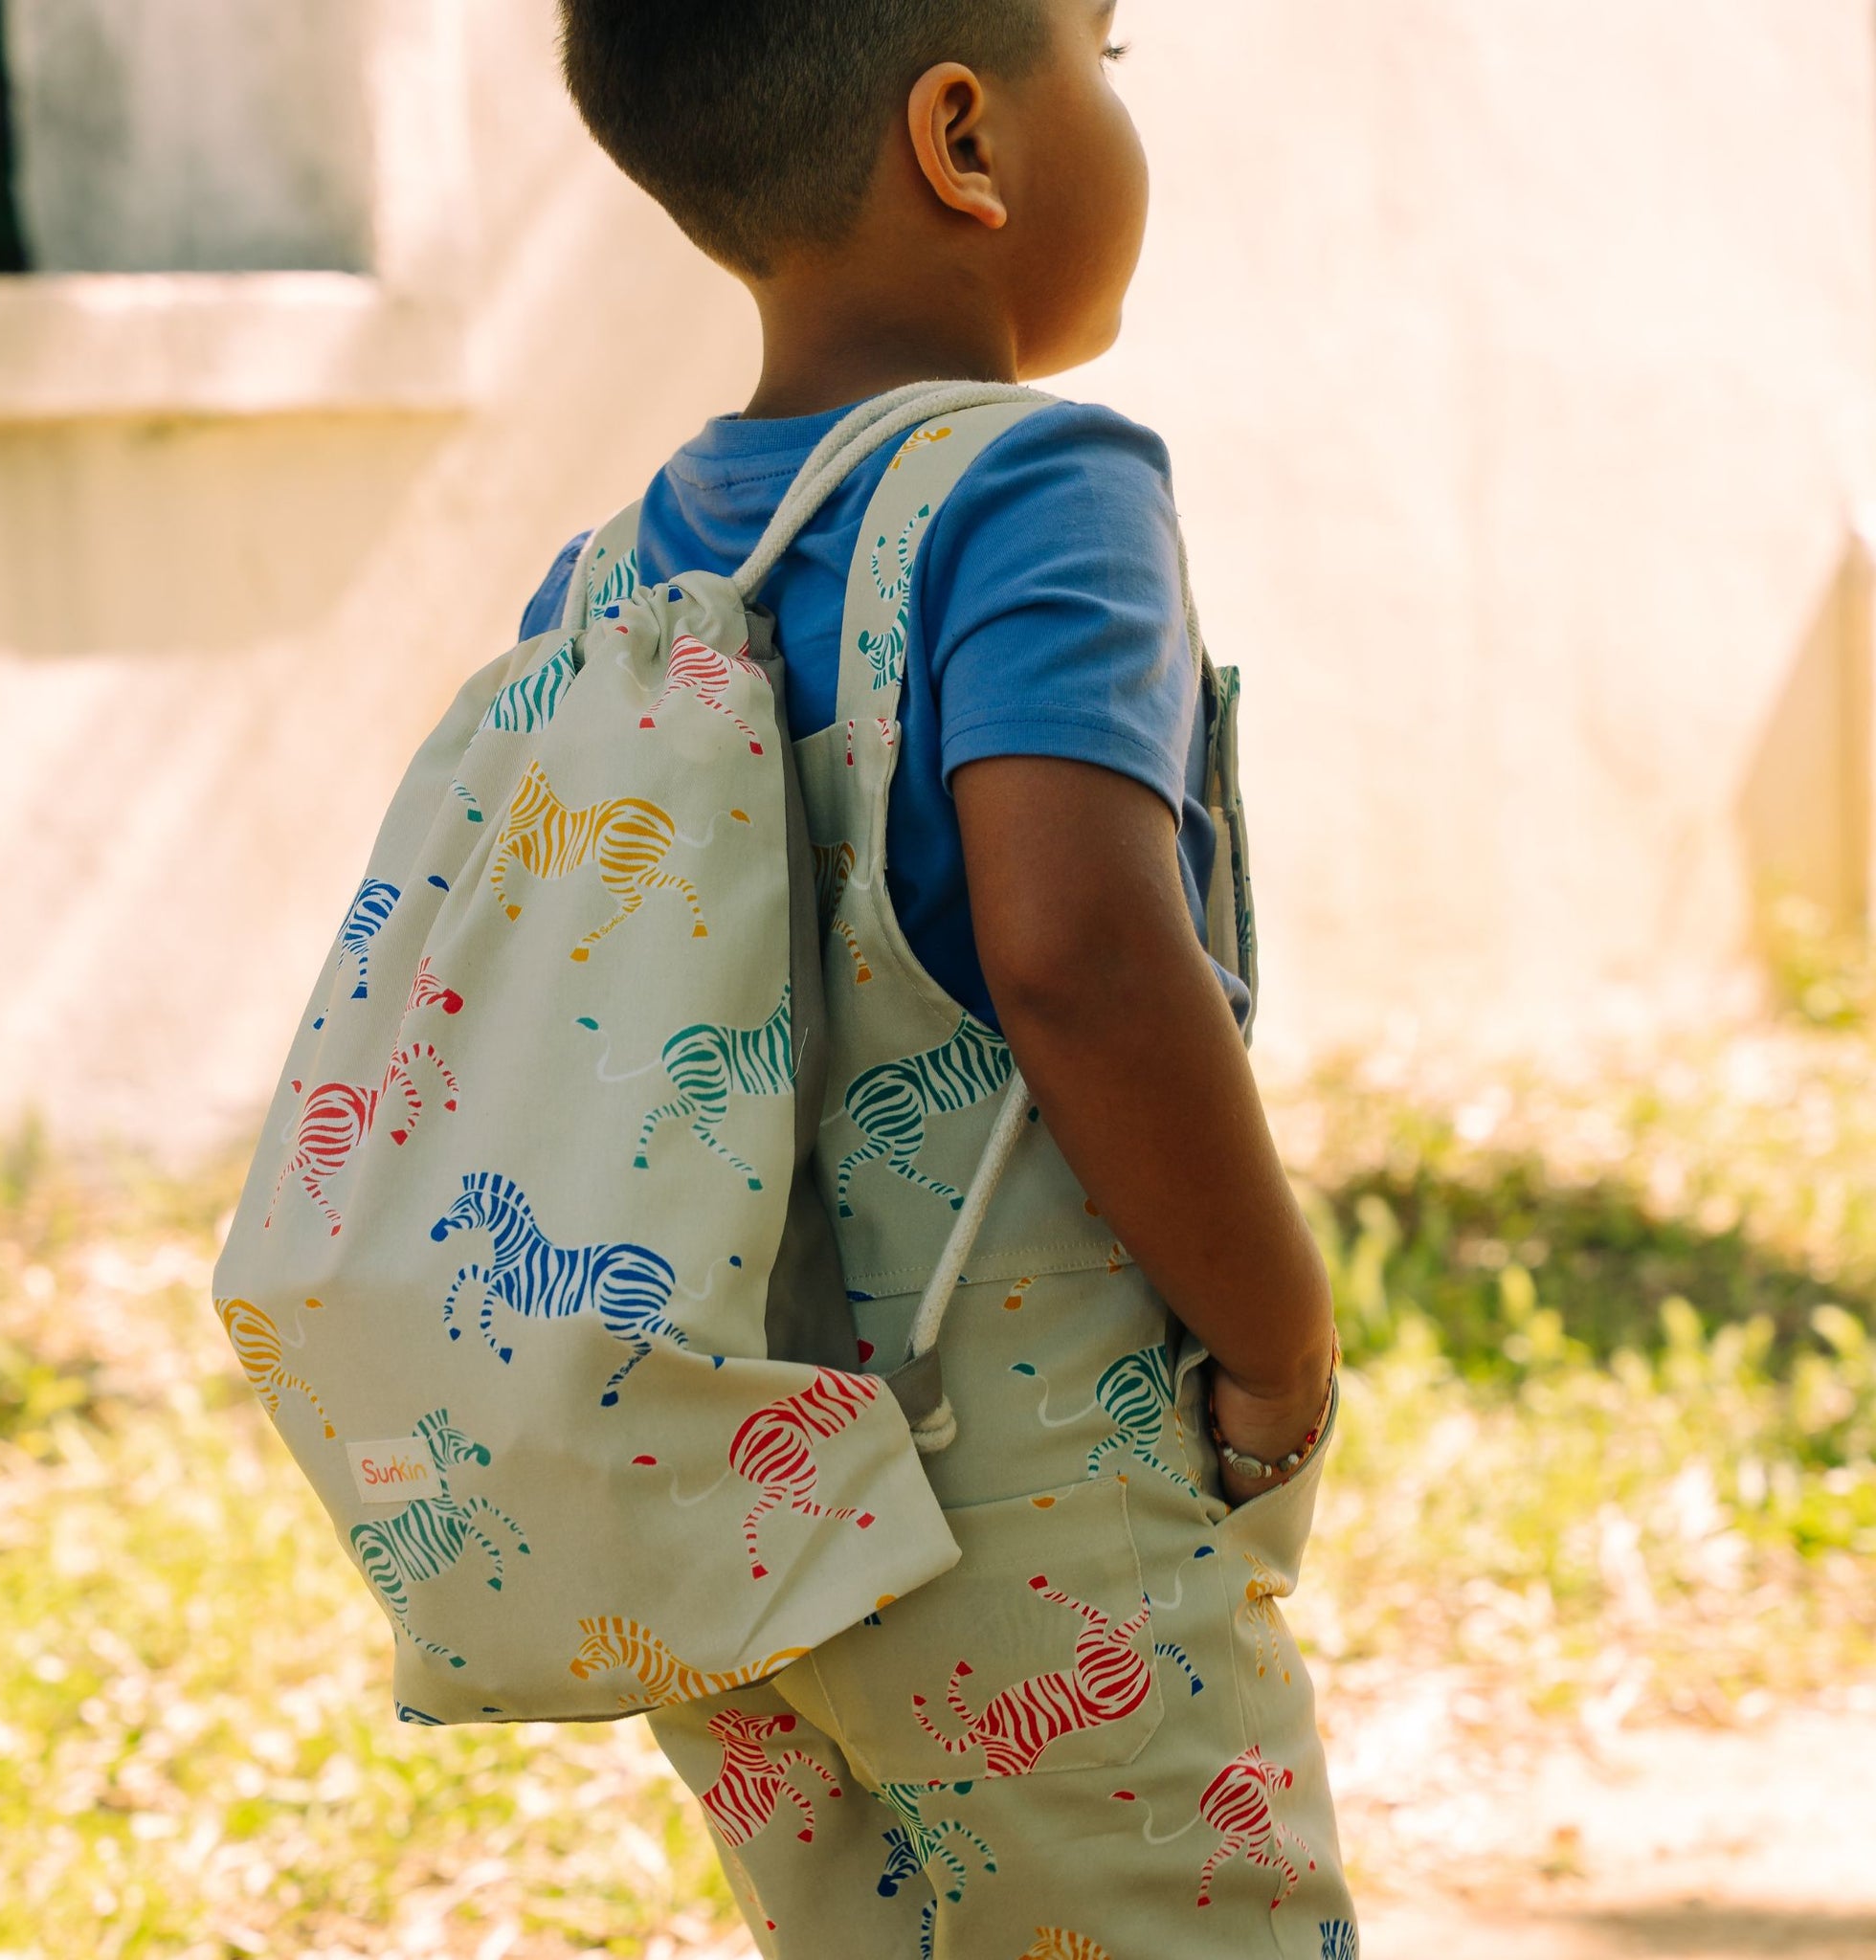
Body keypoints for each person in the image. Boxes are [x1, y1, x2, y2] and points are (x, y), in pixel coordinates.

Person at [529, 3, 1355, 1951]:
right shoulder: (1037, 490)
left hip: (721, 1517)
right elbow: (1073, 952)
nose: (1128, 108)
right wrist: (1279, 1339)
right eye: (1109, 53)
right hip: (1019, 1515)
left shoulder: (607, 580)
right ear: (963, 136)